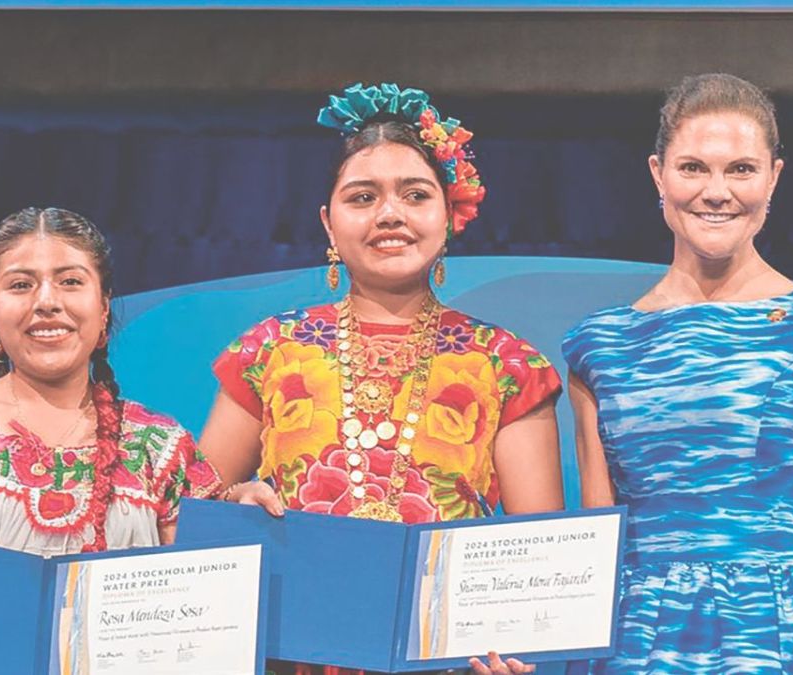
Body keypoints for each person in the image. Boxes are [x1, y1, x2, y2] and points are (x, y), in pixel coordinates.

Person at [198, 83, 565, 675]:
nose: (389, 214)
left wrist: (517, 653)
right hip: (292, 655)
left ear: (450, 215)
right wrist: (234, 502)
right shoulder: (268, 351)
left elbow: (539, 559)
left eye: (415, 195)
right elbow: (194, 511)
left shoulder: (506, 365)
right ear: (328, 222)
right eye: (363, 197)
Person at [561, 73, 793, 674]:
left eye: (741, 169)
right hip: (637, 642)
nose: (717, 192)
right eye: (693, 168)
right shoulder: (598, 345)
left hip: (776, 637)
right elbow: (594, 548)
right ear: (657, 174)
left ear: (774, 178)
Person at [0, 207, 220, 555]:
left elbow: (203, 588)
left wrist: (247, 517)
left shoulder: (159, 449)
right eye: (20, 285)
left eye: (71, 281)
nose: (47, 301)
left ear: (104, 307)